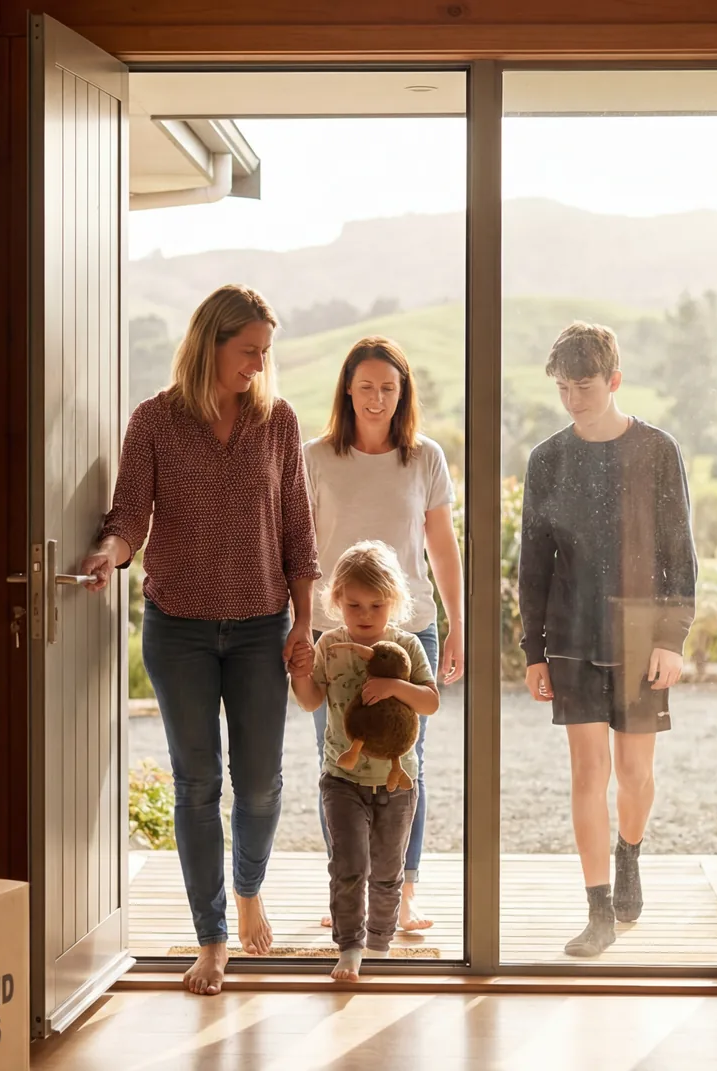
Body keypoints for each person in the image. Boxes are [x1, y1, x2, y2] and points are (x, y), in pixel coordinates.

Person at [77, 284, 319, 996]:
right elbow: (130, 516)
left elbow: (299, 532)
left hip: (261, 628)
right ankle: (212, 938)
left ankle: (248, 886)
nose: (258, 365)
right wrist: (109, 555)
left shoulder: (277, 422)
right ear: (210, 342)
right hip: (177, 628)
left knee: (261, 784)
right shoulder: (154, 419)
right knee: (196, 784)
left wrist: (305, 622)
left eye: (265, 352)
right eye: (248, 350)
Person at [518, 321, 697, 958]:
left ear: (614, 379)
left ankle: (630, 853)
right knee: (588, 771)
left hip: (643, 632)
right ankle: (598, 912)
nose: (573, 399)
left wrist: (672, 637)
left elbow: (679, 552)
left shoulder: (658, 450)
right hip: (571, 633)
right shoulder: (546, 460)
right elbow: (533, 564)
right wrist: (533, 651)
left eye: (585, 386)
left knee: (636, 774)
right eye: (563, 388)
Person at [302, 336, 463, 934]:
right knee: (338, 761)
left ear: (403, 393)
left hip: (410, 628)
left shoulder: (424, 457)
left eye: (388, 388)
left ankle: (404, 890)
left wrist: (456, 624)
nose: (376, 398)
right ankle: (345, 888)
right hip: (333, 631)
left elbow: (442, 547)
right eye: (366, 386)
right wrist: (297, 624)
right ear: (348, 388)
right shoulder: (315, 457)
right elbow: (298, 549)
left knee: (405, 759)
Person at [289, 541, 440, 981]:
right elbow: (310, 701)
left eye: (376, 605)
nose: (366, 614)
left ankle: (380, 943)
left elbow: (430, 702)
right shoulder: (330, 645)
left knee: (389, 871)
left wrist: (395, 687)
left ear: (394, 600)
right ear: (336, 600)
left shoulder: (406, 645)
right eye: (354, 604)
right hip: (342, 777)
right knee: (349, 866)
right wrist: (299, 673)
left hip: (397, 781)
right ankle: (350, 946)